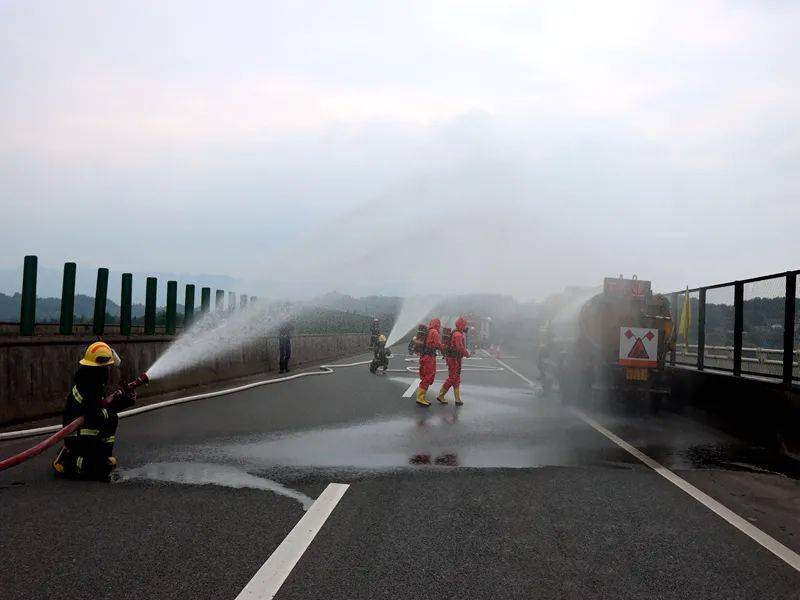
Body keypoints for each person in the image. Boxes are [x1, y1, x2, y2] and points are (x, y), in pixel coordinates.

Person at [52, 341, 136, 481]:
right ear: (99, 369)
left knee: (109, 418)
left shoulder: (91, 382)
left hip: (83, 436)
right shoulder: (87, 387)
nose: (108, 371)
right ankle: (69, 462)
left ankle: (96, 458)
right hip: (78, 438)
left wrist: (126, 400)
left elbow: (102, 406)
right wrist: (112, 406)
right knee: (101, 467)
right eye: (107, 368)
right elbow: (97, 413)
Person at [437, 316, 471, 405]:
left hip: (455, 358)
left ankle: (457, 399)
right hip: (453, 359)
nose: (465, 327)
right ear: (461, 325)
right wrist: (467, 354)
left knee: (456, 378)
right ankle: (441, 395)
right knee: (453, 378)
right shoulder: (458, 335)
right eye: (464, 325)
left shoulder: (456, 333)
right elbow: (460, 347)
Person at [415, 318, 442, 407]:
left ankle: (422, 397)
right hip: (429, 357)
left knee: (424, 375)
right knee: (428, 376)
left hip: (424, 356)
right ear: (437, 324)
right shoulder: (434, 332)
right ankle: (420, 397)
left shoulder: (428, 331)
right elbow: (438, 344)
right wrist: (444, 348)